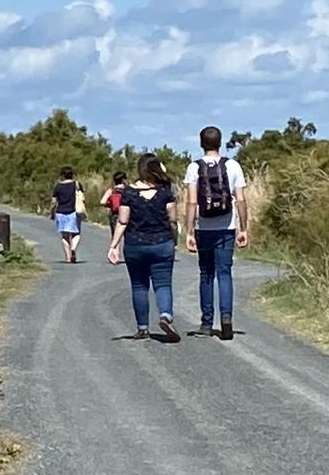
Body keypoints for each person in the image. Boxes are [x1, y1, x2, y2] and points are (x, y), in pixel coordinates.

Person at [180, 126, 249, 339]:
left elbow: (192, 201)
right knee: (225, 273)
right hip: (227, 227)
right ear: (220, 142)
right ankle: (226, 318)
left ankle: (207, 324)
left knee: (206, 274)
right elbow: (241, 200)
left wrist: (189, 231)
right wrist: (244, 228)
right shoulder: (233, 165)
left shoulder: (194, 167)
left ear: (201, 143)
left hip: (204, 228)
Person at [104, 153, 180, 341]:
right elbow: (173, 220)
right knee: (163, 284)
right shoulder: (165, 191)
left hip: (135, 245)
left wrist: (114, 246)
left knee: (139, 286)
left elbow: (122, 221)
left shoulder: (128, 192)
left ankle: (142, 328)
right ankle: (165, 315)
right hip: (162, 243)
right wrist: (175, 240)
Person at [50, 163, 86, 264]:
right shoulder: (77, 185)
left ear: (62, 175)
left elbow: (53, 202)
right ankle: (73, 248)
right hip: (73, 212)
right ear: (72, 174)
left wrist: (52, 213)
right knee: (76, 234)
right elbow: (83, 198)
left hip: (61, 212)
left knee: (65, 236)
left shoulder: (58, 186)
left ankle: (68, 257)